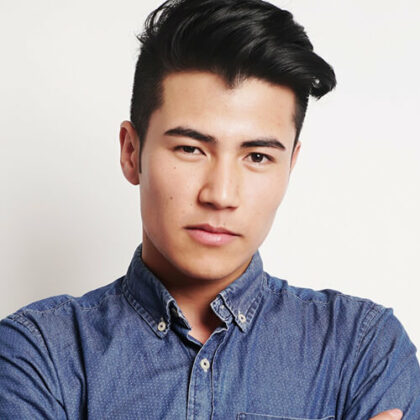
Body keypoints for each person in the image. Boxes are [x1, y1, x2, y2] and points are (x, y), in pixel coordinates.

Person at [0, 0, 419, 418]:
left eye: (257, 157)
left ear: (290, 165)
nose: (220, 194)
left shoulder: (363, 349)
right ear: (131, 152)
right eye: (190, 149)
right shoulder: (38, 353)